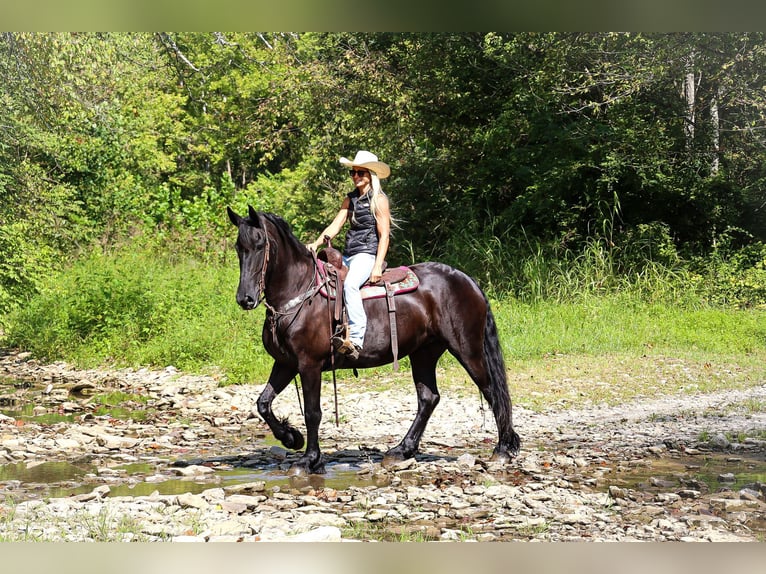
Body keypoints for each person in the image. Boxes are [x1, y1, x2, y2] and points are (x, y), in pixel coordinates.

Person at [307, 150, 392, 360]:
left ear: (370, 174)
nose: (355, 176)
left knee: (351, 286)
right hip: (348, 255)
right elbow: (335, 225)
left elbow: (384, 236)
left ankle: (355, 340)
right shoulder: (351, 199)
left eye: (360, 172)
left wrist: (377, 265)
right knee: (322, 281)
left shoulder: (379, 200)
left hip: (366, 254)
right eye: (353, 173)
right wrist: (316, 243)